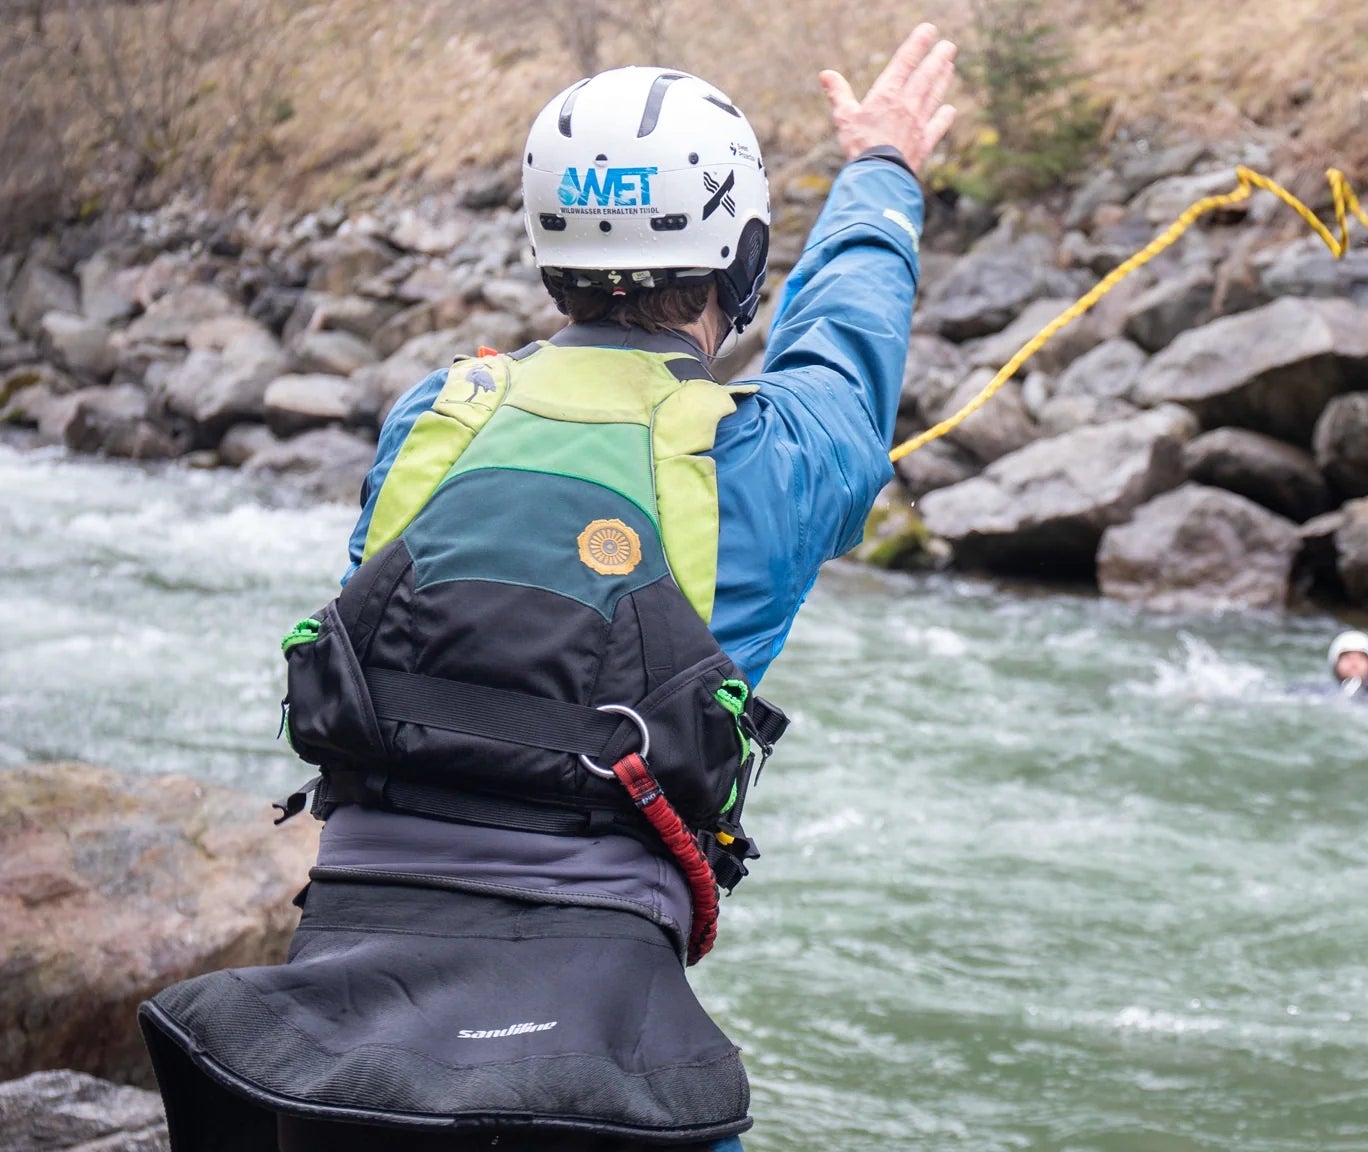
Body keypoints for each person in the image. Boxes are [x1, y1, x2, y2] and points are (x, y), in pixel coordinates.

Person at [139, 26, 957, 1152]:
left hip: (339, 1015)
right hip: (598, 1037)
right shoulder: (767, 458)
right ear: (743, 255)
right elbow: (844, 346)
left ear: (544, 246)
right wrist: (881, 169)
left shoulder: (433, 413)